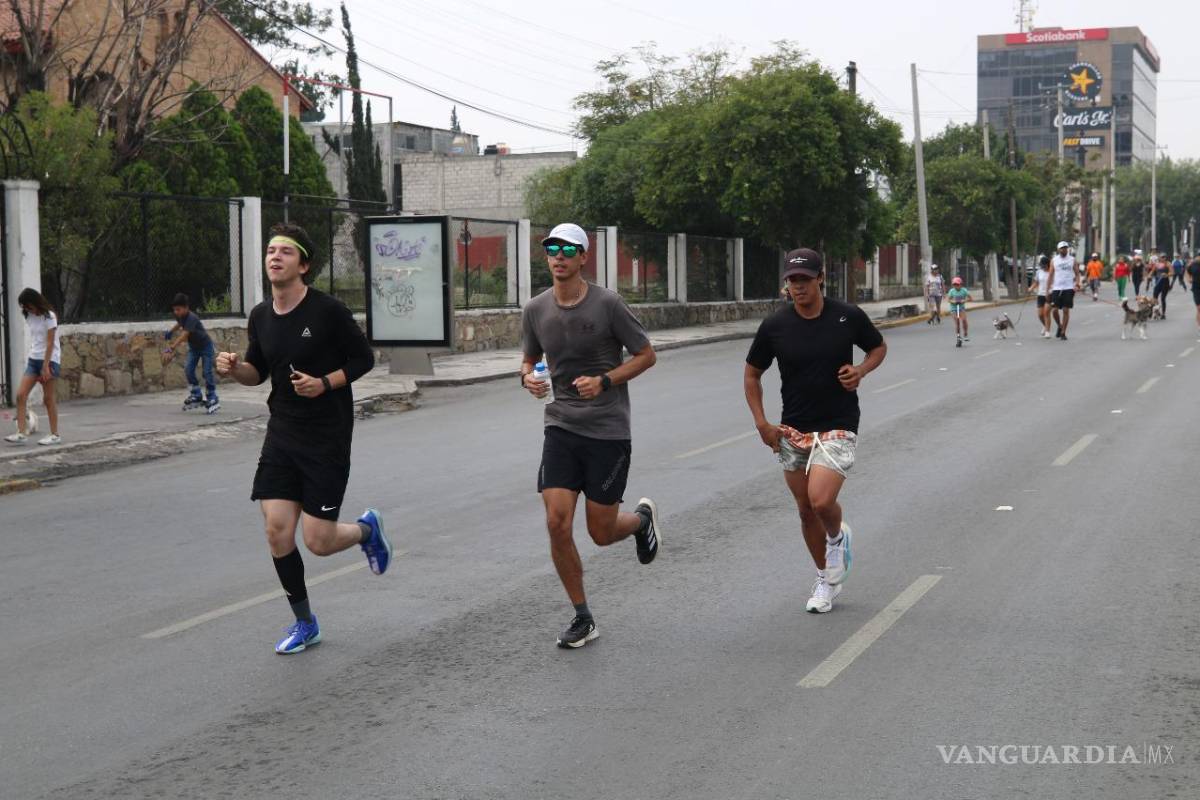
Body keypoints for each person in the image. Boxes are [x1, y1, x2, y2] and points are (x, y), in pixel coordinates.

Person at [215, 222, 392, 655]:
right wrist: (233, 369)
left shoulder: (327, 311)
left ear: (304, 265)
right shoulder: (260, 315)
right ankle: (304, 622)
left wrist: (325, 383)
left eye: (285, 252)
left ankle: (366, 530)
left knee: (318, 541)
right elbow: (257, 372)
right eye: (270, 250)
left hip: (326, 436)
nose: (274, 257)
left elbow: (363, 358)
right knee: (277, 531)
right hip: (282, 434)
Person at [520, 222, 661, 649]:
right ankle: (582, 617)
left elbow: (647, 355)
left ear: (584, 257)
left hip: (607, 430)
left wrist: (604, 381)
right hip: (560, 425)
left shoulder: (609, 305)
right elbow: (528, 361)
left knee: (600, 532)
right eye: (551, 249)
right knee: (556, 521)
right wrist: (528, 379)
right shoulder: (536, 309)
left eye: (567, 249)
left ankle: (640, 522)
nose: (558, 256)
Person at [744, 247, 886, 614]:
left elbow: (878, 347)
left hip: (839, 424)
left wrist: (861, 371)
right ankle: (824, 579)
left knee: (822, 499)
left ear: (821, 278)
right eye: (793, 280)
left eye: (805, 279)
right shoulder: (776, 326)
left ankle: (837, 538)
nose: (799, 287)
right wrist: (762, 422)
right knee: (806, 509)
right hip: (793, 429)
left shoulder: (847, 316)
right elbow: (752, 374)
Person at [5, 288, 62, 446]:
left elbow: (50, 343)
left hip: (49, 360)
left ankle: (55, 434)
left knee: (48, 399)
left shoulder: (49, 316)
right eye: (24, 307)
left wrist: (46, 366)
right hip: (34, 360)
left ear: (35, 302)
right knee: (20, 395)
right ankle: (21, 433)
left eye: (28, 306)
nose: (26, 309)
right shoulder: (29, 315)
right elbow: (37, 338)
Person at [162, 292, 219, 413]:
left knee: (207, 371)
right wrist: (171, 331)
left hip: (206, 347)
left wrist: (172, 347)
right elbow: (179, 324)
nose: (176, 312)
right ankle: (196, 394)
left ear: (186, 308)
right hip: (194, 348)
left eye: (178, 309)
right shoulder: (180, 316)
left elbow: (185, 334)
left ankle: (212, 396)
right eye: (174, 310)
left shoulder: (192, 318)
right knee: (188, 369)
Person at [1047, 241, 1080, 340]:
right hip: (1056, 288)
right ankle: (1059, 325)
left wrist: (1078, 283)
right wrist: (1047, 289)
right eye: (1062, 248)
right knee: (1054, 310)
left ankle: (1063, 332)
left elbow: (1077, 273)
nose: (1064, 249)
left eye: (1065, 248)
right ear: (1058, 249)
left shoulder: (1072, 260)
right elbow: (1050, 275)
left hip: (1068, 288)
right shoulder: (1054, 260)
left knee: (1066, 310)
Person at [1028, 254, 1052, 338]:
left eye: (1044, 265)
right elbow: (1036, 282)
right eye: (1041, 265)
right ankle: (1045, 326)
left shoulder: (1052, 272)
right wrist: (1031, 288)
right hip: (1040, 295)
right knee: (1040, 315)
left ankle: (1048, 332)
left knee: (1046, 313)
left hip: (1049, 294)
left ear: (1048, 264)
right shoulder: (1039, 272)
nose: (1042, 267)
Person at [947, 276, 971, 346]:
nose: (956, 286)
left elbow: (970, 298)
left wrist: (964, 300)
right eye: (954, 285)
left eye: (957, 285)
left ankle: (965, 333)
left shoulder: (964, 290)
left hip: (961, 308)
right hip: (954, 309)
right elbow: (948, 299)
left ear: (961, 284)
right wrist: (953, 301)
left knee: (964, 320)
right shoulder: (952, 291)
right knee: (957, 322)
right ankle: (958, 337)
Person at [1151, 254, 1172, 318]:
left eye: (1164, 257)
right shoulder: (1156, 264)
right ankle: (1157, 312)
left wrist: (1167, 274)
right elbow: (1152, 271)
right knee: (1154, 298)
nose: (1163, 258)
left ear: (1165, 258)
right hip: (1158, 283)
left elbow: (1172, 272)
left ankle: (1163, 314)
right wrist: (1149, 275)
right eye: (1161, 257)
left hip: (1165, 283)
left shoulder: (1168, 264)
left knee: (1163, 298)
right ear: (1159, 258)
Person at [1188, 254, 1200, 332]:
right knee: (1199, 308)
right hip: (1196, 288)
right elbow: (1187, 271)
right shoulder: (1193, 265)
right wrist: (1189, 278)